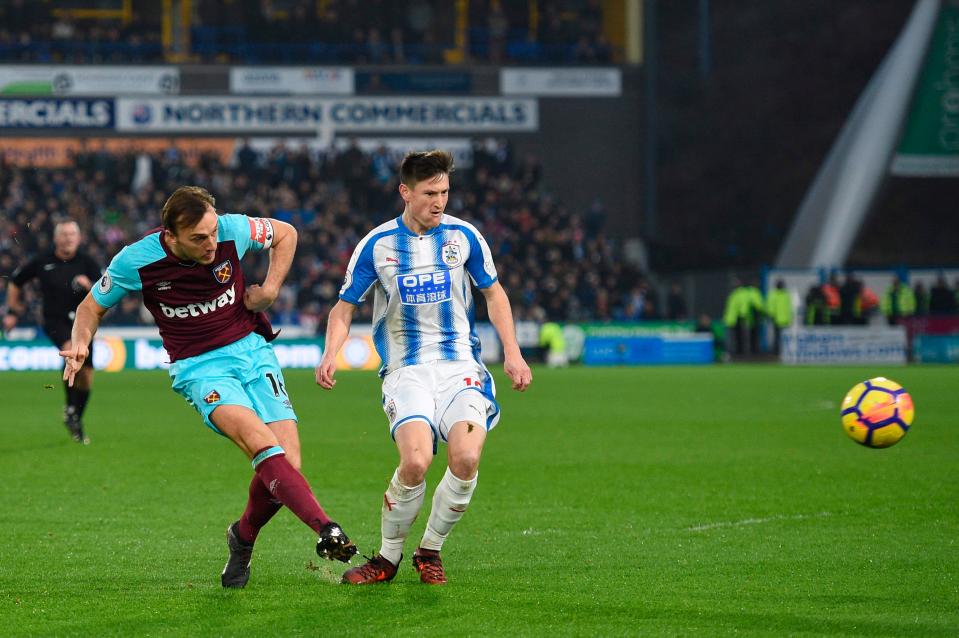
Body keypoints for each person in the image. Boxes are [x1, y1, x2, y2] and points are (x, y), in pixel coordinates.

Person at [60, 186, 356, 588]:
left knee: (289, 465)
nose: (212, 244)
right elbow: (90, 307)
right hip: (200, 369)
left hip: (253, 352)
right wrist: (80, 341)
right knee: (261, 444)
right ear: (170, 235)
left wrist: (269, 290)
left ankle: (242, 537)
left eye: (214, 232)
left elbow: (286, 233)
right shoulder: (136, 260)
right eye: (199, 238)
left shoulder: (232, 229)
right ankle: (326, 527)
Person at [316, 150, 532, 585]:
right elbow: (343, 310)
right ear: (405, 192)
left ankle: (429, 550)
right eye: (430, 193)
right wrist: (329, 353)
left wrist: (512, 350)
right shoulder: (376, 245)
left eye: (445, 192)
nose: (439, 202)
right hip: (405, 370)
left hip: (460, 366)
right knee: (415, 463)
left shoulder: (464, 236)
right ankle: (387, 558)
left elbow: (494, 294)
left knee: (466, 457)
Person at [4, 220, 101, 444]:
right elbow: (15, 282)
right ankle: (70, 409)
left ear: (79, 238)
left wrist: (90, 286)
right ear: (56, 238)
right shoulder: (42, 261)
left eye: (72, 234)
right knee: (70, 351)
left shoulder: (88, 262)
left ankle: (74, 414)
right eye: (64, 234)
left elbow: (104, 290)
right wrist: (12, 310)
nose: (68, 238)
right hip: (54, 320)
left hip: (83, 322)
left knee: (86, 376)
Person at [764, 279, 793, 356]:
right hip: (777, 319)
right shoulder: (773, 294)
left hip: (785, 319)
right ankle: (776, 352)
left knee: (785, 337)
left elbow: (789, 307)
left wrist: (790, 317)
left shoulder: (786, 294)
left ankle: (784, 351)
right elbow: (770, 306)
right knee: (777, 337)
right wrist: (771, 315)